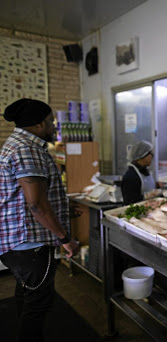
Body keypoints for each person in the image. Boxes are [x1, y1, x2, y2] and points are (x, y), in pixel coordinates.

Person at [0, 98, 79, 342]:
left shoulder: (17, 144)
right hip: (29, 244)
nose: (54, 127)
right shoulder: (27, 149)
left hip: (18, 242)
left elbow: (30, 198)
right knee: (39, 305)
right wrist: (65, 238)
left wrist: (62, 208)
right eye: (51, 122)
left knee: (27, 294)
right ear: (38, 124)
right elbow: (36, 205)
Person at [121, 140, 160, 205]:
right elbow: (129, 201)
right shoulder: (131, 176)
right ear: (141, 157)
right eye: (149, 154)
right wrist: (146, 197)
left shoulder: (143, 170)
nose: (151, 157)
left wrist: (155, 186)